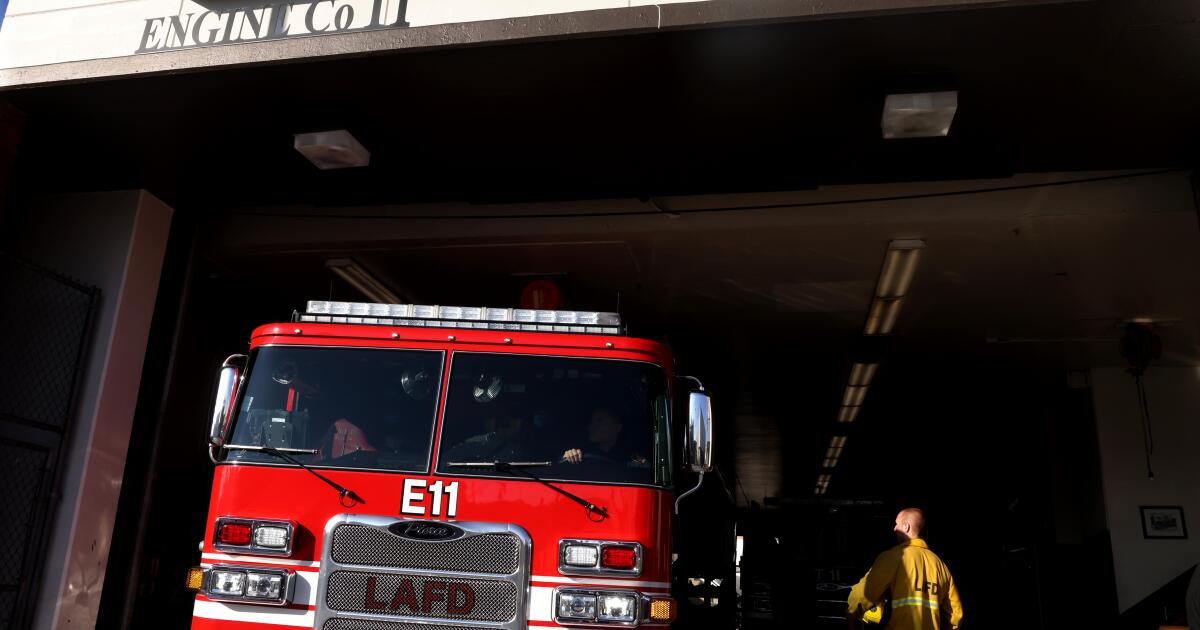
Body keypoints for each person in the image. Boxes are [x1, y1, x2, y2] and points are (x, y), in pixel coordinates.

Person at [847, 508, 963, 630]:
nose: (894, 528)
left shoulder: (892, 557)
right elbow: (956, 614)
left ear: (906, 527)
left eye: (897, 524)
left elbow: (866, 591)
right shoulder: (940, 566)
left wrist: (851, 612)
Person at [560, 407, 646, 466]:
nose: (591, 426)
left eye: (599, 421)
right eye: (591, 421)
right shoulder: (581, 454)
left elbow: (644, 467)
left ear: (617, 427)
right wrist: (569, 456)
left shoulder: (630, 457)